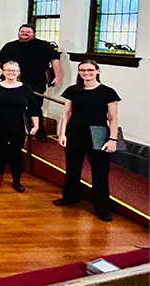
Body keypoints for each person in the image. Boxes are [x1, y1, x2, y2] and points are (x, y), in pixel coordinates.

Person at [54, 60, 121, 222]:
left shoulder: (108, 92)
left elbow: (113, 118)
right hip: (75, 132)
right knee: (72, 168)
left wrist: (113, 139)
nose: (86, 73)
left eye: (90, 70)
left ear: (98, 71)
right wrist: (62, 134)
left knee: (99, 172)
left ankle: (102, 208)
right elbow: (67, 114)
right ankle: (70, 197)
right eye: (82, 70)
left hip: (98, 133)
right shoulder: (73, 90)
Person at [0, 24, 62, 141]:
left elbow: (55, 61)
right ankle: (16, 129)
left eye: (28, 32)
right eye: (22, 31)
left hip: (36, 81)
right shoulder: (10, 46)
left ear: (34, 33)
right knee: (12, 105)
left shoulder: (43, 45)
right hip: (12, 81)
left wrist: (57, 77)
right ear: (18, 33)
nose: (24, 34)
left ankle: (39, 131)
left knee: (35, 106)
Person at [0, 61, 40, 193]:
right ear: (2, 71)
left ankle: (16, 180)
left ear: (18, 73)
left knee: (16, 153)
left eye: (14, 70)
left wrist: (35, 125)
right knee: (0, 151)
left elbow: (33, 109)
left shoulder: (26, 88)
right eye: (7, 70)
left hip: (19, 125)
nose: (11, 73)